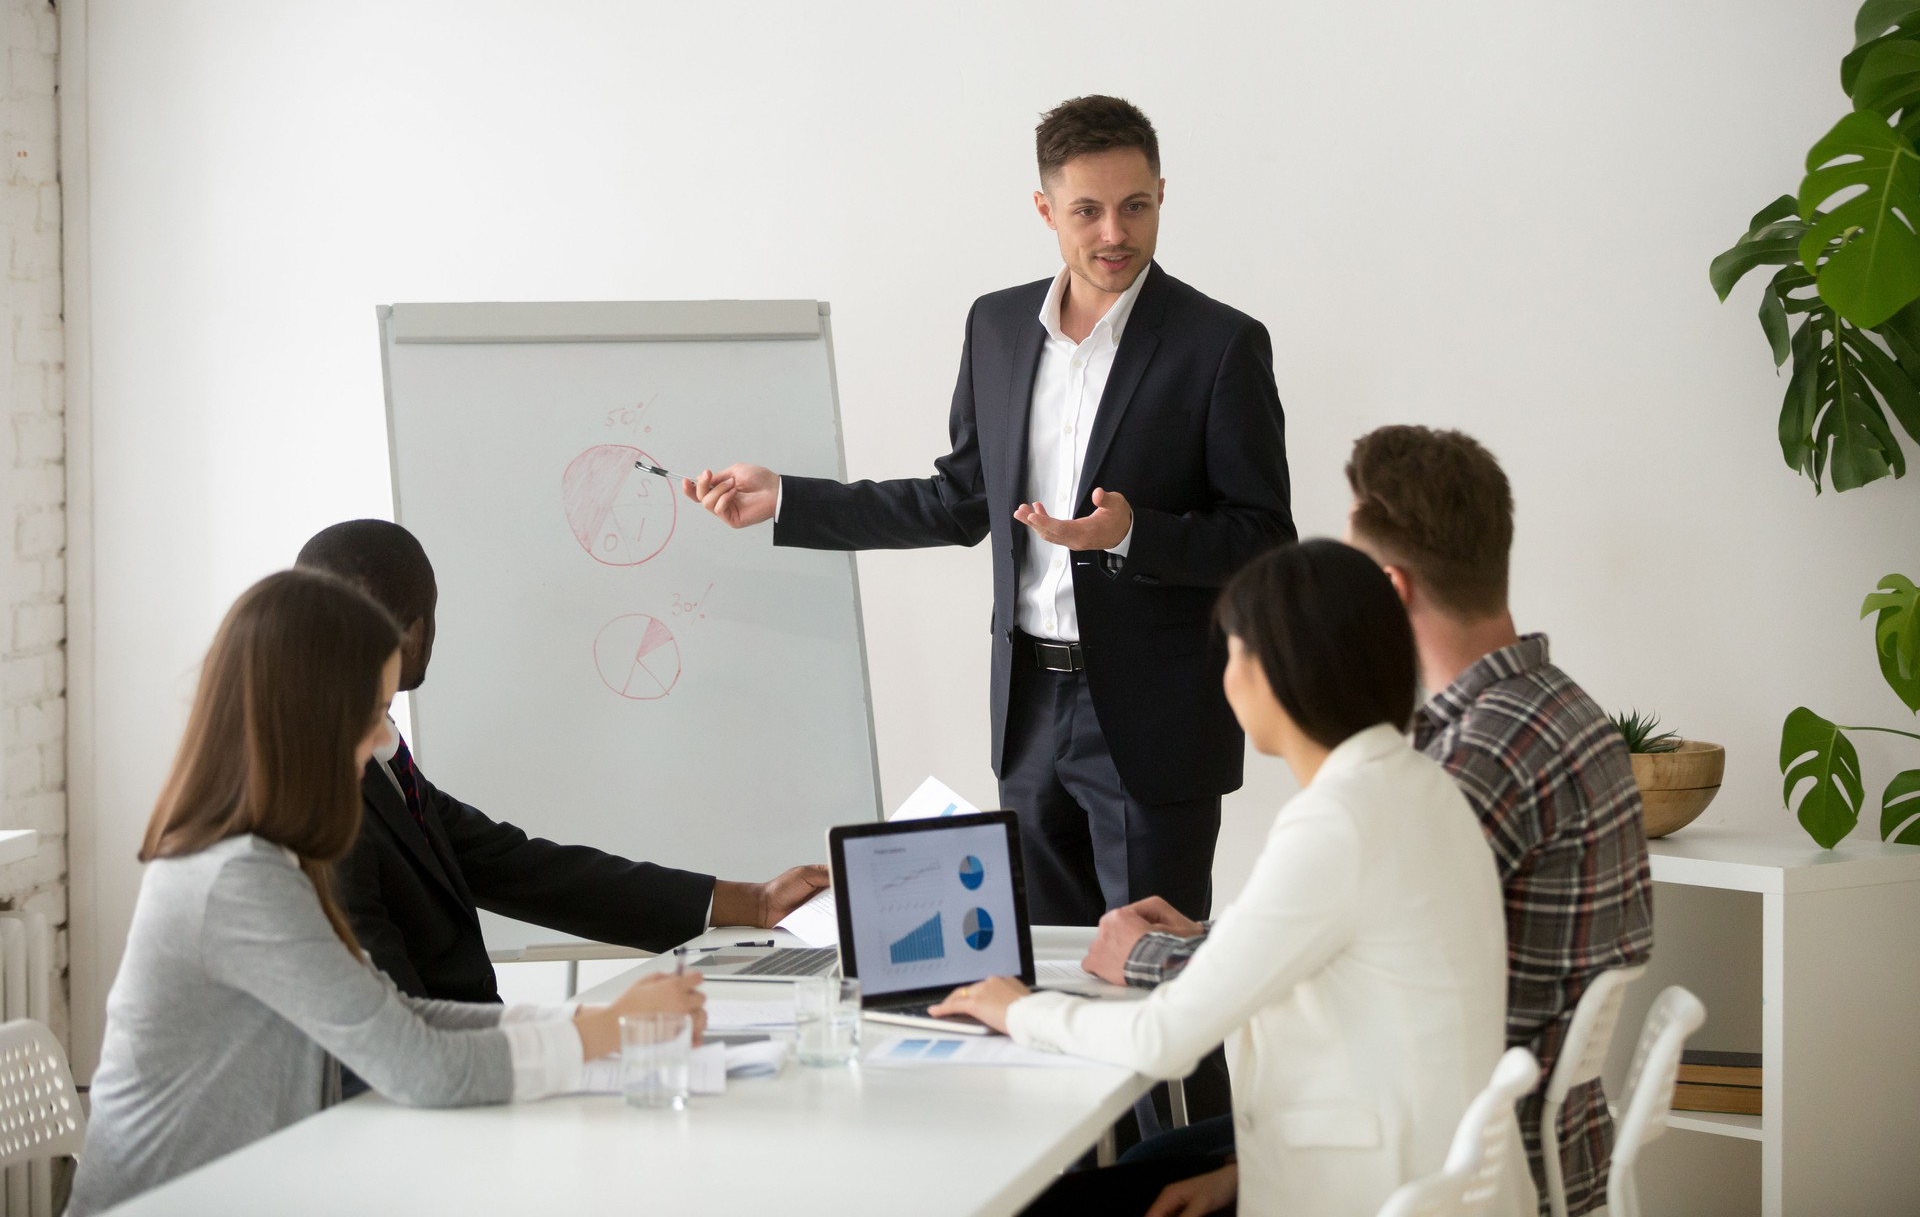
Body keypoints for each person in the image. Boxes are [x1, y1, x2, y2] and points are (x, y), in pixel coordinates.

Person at [683, 94, 1294, 932]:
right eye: (1087, 210)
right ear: (1046, 210)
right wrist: (789, 498)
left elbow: (1264, 541)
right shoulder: (999, 326)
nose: (1114, 232)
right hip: (1030, 711)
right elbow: (959, 499)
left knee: (1164, 987)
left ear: (1161, 194)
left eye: (1135, 206)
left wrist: (1133, 535)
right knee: (1048, 976)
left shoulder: (1220, 344)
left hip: (1154, 727)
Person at [1082, 427, 1653, 1217]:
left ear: (1389, 587)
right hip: (1529, 1144)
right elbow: (1375, 945)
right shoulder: (1562, 710)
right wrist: (1216, 937)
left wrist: (1148, 955)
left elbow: (1342, 964)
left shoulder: (1461, 763)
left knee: (1120, 1177)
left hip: (1447, 1169)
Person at [68, 570, 707, 1216]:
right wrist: (601, 1033)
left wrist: (593, 1022)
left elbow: (394, 1015)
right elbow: (417, 1067)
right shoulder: (237, 880)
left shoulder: (269, 857)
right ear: (310, 719)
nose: (382, 741)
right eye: (374, 713)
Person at [929, 540, 1529, 1217]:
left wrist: (1019, 1009)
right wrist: (1242, 1172)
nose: (1225, 678)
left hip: (1363, 1189)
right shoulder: (1418, 782)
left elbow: (1163, 1039)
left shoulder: (1338, 820)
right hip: (1409, 1174)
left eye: (1234, 653)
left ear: (1279, 672)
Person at [296, 519, 827, 1003]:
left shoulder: (378, 761)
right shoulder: (323, 801)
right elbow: (395, 1031)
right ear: (414, 634)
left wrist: (749, 903)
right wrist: (593, 1031)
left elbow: (522, 869)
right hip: (425, 1088)